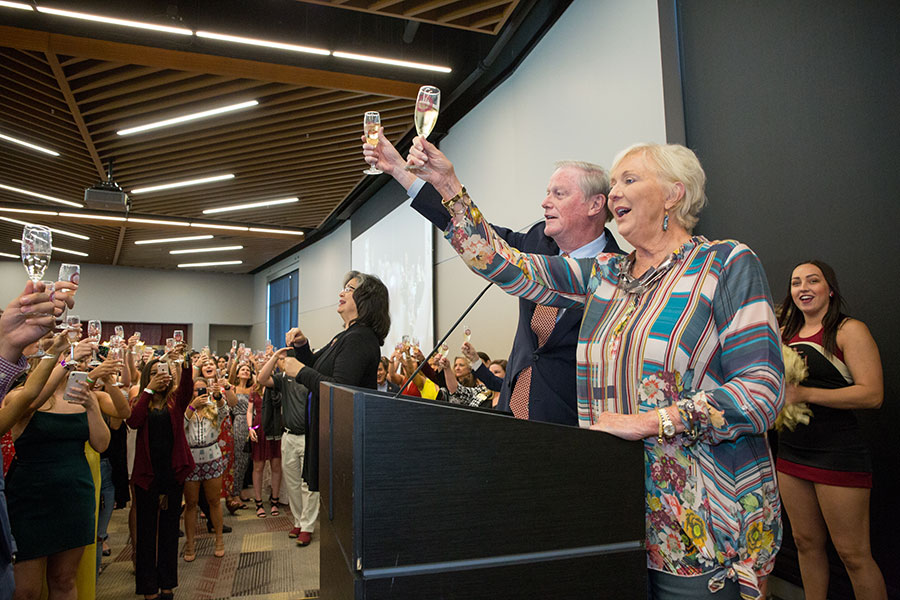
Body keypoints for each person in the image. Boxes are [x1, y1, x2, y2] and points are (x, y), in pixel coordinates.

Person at [408, 139, 784, 599]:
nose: (615, 190)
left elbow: (761, 391)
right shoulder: (607, 275)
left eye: (630, 179)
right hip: (609, 509)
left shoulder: (725, 265)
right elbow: (504, 263)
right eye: (614, 179)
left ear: (674, 194)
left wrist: (651, 422)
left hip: (695, 520)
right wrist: (447, 184)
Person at [363, 132, 621, 425]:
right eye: (547, 192)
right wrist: (400, 170)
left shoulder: (620, 275)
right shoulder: (536, 242)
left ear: (595, 204)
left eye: (558, 194)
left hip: (571, 426)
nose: (544, 202)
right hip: (509, 416)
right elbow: (470, 233)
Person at [776, 261, 887, 600]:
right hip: (792, 453)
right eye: (796, 282)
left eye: (813, 280)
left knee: (853, 555)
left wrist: (806, 393)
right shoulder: (783, 332)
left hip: (838, 455)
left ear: (830, 289)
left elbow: (872, 394)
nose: (803, 287)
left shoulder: (848, 330)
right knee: (804, 543)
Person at [264, 270, 389, 547]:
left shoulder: (359, 338)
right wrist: (303, 346)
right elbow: (317, 367)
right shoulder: (345, 336)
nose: (341, 293)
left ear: (366, 300)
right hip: (331, 434)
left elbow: (339, 389)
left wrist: (299, 371)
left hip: (345, 442)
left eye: (349, 288)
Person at [5, 344, 112, 600]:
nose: (70, 364)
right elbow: (31, 401)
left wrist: (91, 405)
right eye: (63, 359)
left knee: (64, 579)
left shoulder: (83, 397)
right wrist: (65, 360)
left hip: (75, 494)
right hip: (30, 497)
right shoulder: (21, 397)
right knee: (26, 590)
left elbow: (101, 444)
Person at [128, 356, 194, 600]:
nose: (161, 376)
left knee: (168, 532)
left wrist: (185, 363)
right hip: (147, 476)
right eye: (155, 372)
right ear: (148, 377)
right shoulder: (140, 401)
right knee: (146, 534)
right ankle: (148, 588)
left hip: (172, 474)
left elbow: (187, 386)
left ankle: (167, 585)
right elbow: (133, 421)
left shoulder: (175, 401)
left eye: (164, 372)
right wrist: (148, 390)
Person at [182, 371, 236, 562]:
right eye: (196, 390)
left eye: (202, 390)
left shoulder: (213, 406)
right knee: (191, 504)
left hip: (212, 457)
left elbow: (225, 411)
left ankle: (219, 540)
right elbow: (179, 426)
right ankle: (190, 543)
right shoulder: (185, 407)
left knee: (214, 501)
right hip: (191, 459)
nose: (199, 393)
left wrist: (219, 396)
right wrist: (191, 407)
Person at [245, 370, 283, 519]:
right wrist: (249, 428)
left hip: (274, 426)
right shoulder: (254, 389)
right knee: (258, 466)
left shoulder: (277, 387)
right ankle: (259, 502)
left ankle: (275, 500)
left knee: (275, 465)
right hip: (259, 428)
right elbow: (250, 411)